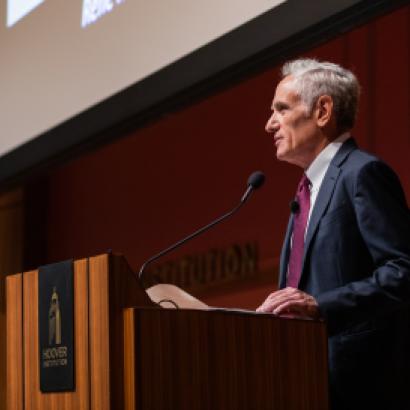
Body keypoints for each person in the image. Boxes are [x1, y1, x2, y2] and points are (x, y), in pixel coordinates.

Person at [257, 58, 410, 410]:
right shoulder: (305, 192)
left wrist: (320, 306)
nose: (269, 124)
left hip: (359, 385)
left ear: (323, 110)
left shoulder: (362, 173)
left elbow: (402, 270)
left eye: (281, 108)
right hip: (302, 379)